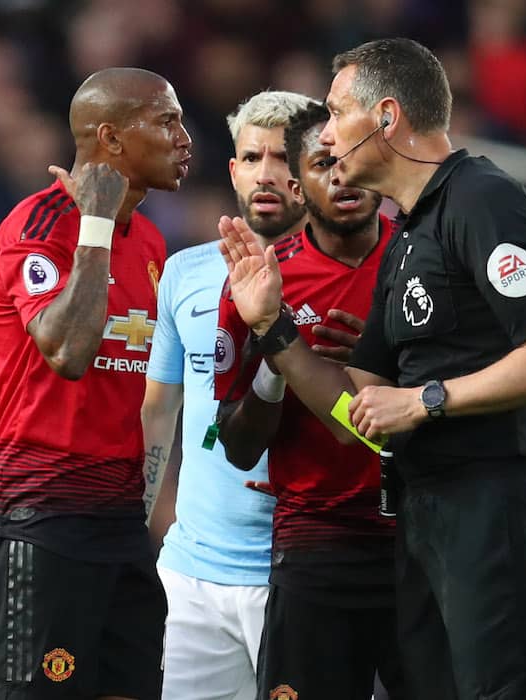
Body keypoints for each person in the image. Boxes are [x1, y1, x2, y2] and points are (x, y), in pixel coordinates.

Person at [216, 38, 526, 699]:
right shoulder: (408, 238)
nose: (326, 133)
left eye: (336, 112)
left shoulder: (482, 200)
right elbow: (355, 413)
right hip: (423, 516)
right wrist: (273, 328)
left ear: (386, 117)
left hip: (497, 504)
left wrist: (425, 400)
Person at [0, 67, 191, 700]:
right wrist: (93, 225)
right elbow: (67, 351)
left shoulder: (151, 242)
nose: (184, 138)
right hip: (39, 516)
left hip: (118, 522)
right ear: (111, 138)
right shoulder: (37, 226)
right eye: (166, 121)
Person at [212, 99, 407, 700]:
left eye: (354, 159)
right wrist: (279, 366)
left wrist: (388, 358)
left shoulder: (425, 257)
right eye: (325, 164)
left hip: (422, 537)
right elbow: (237, 447)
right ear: (298, 185)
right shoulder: (260, 283)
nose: (344, 177)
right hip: (316, 545)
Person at [138, 89, 312, 700]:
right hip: (190, 575)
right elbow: (159, 410)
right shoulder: (184, 273)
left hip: (301, 572)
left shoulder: (345, 277)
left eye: (283, 157)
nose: (266, 173)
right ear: (234, 170)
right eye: (252, 157)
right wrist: (134, 528)